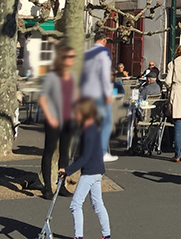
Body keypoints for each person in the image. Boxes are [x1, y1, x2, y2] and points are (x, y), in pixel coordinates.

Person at [59, 98, 111, 239]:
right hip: (97, 170)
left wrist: (67, 170)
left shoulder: (88, 131)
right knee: (97, 204)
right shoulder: (94, 127)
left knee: (75, 204)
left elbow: (84, 157)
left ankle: (78, 236)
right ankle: (106, 234)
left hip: (90, 172)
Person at [38, 44, 77, 200]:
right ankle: (47, 187)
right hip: (53, 119)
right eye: (70, 57)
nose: (72, 60)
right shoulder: (52, 76)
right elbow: (43, 98)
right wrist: (50, 117)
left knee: (64, 153)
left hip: (68, 119)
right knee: (49, 151)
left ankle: (61, 184)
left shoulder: (71, 76)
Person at [81, 29, 116, 162]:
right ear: (104, 40)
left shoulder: (87, 53)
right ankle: (101, 151)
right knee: (106, 122)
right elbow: (105, 74)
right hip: (99, 92)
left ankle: (86, 150)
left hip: (86, 93)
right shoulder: (104, 52)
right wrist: (108, 93)